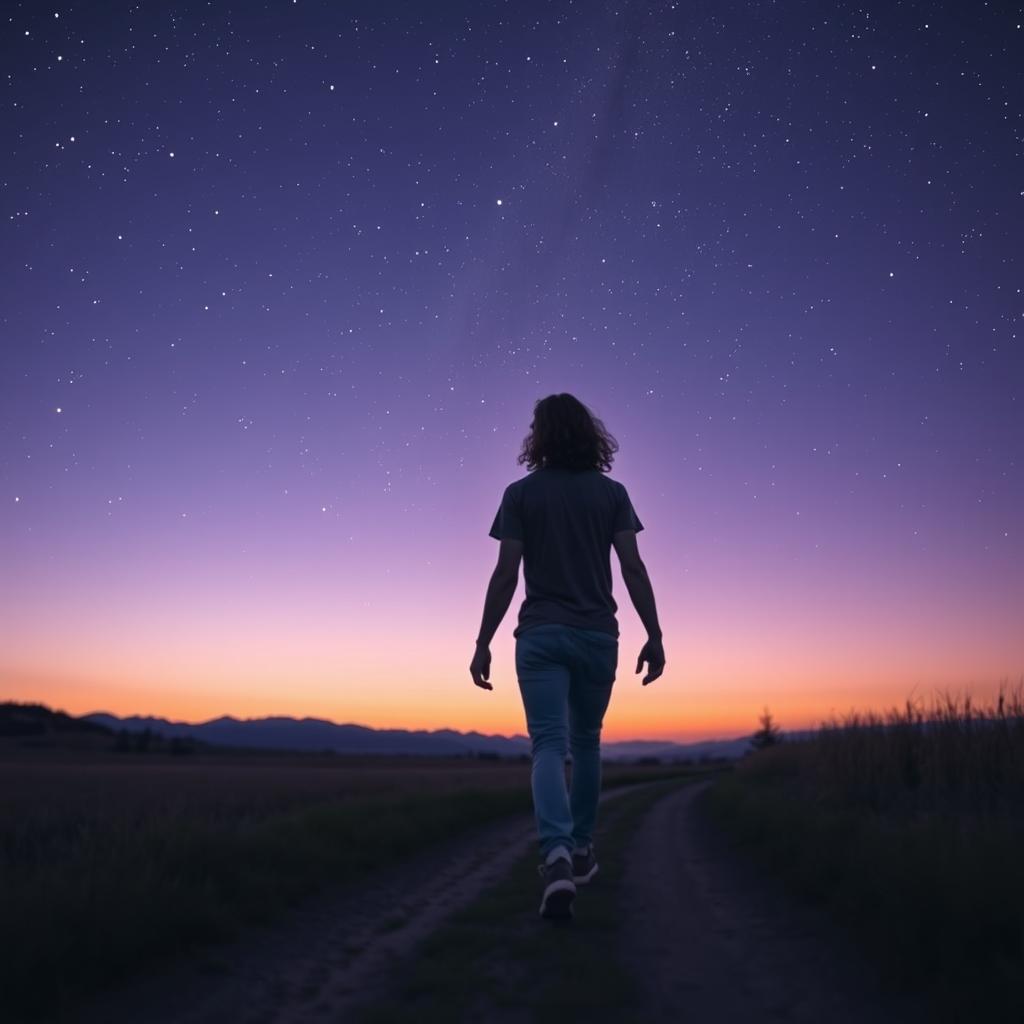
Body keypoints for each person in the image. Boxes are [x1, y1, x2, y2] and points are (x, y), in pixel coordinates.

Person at [469, 392, 665, 921]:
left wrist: (483, 640)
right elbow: (633, 569)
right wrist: (655, 633)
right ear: (588, 433)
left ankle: (554, 853)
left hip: (540, 637)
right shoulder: (613, 494)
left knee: (549, 745)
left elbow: (506, 573)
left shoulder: (520, 494)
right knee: (587, 742)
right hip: (599, 636)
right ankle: (580, 849)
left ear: (539, 436)